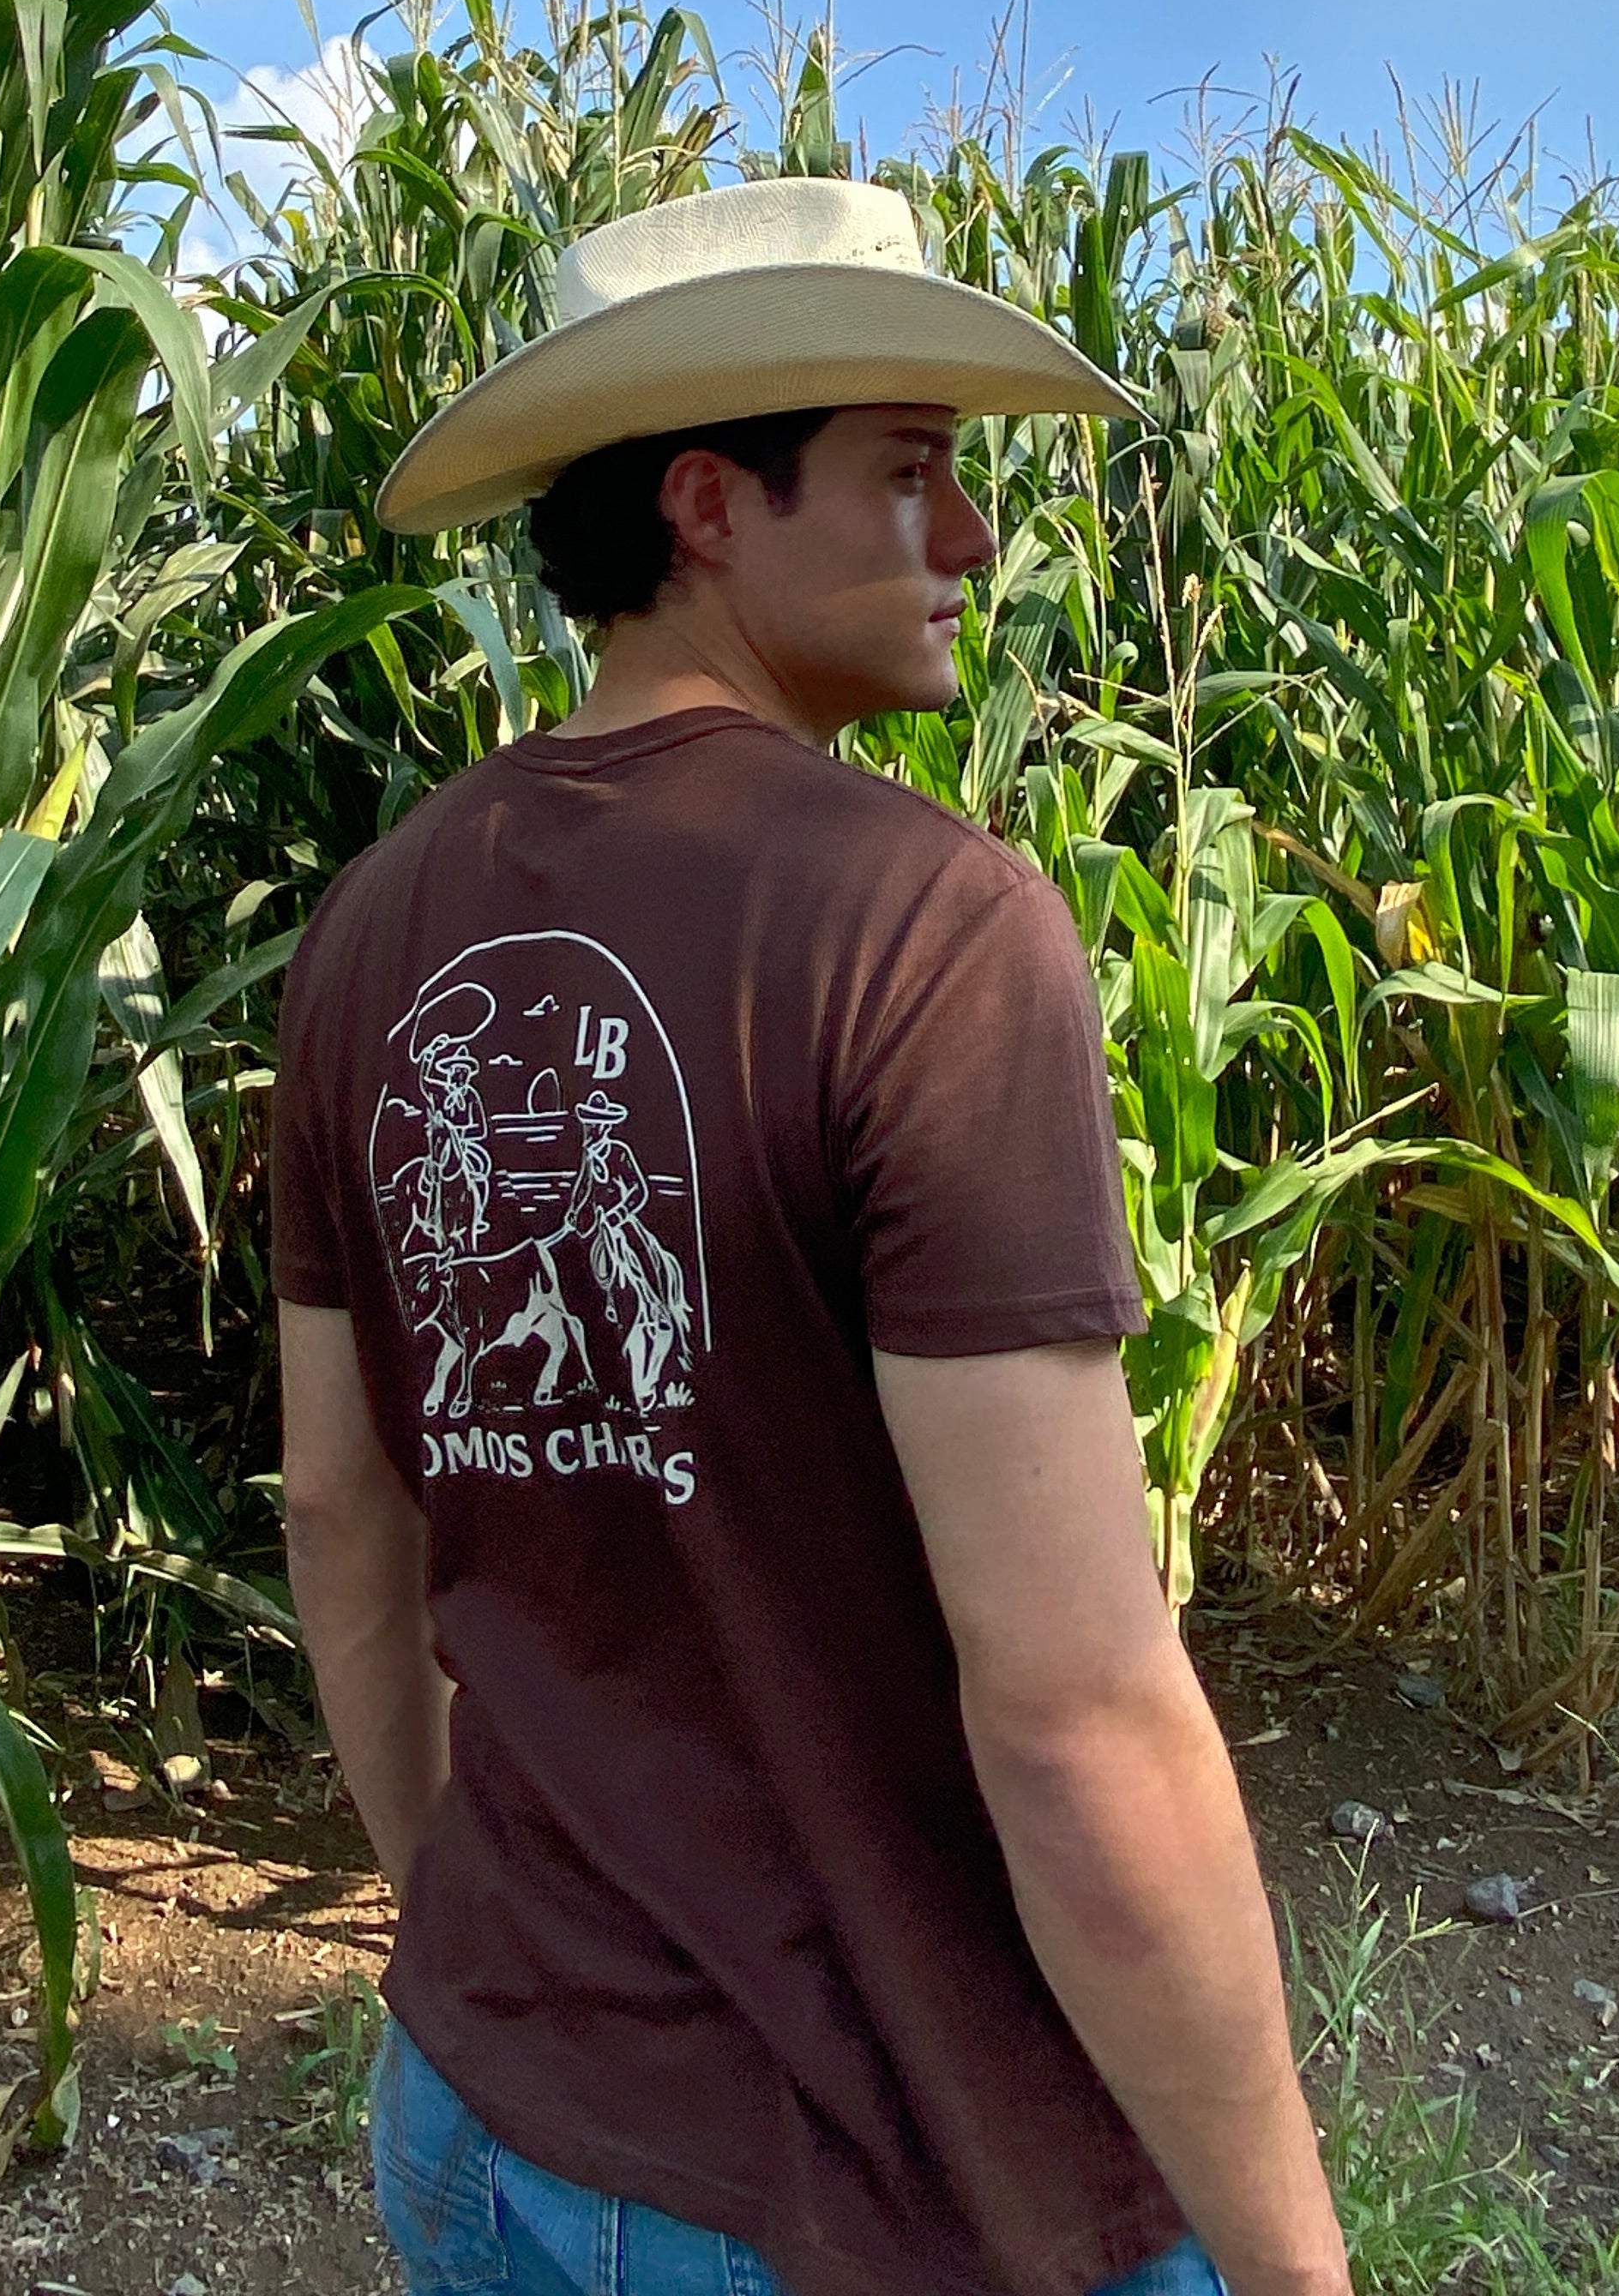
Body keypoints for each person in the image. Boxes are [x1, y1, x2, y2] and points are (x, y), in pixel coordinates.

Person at [271, 177, 1351, 2296]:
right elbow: (1076, 1715)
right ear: (705, 504)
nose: (973, 545)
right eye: (913, 476)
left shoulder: (369, 926)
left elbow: (337, 1508)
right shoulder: (929, 931)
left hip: (480, 2124)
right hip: (876, 2182)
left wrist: (468, 1945)